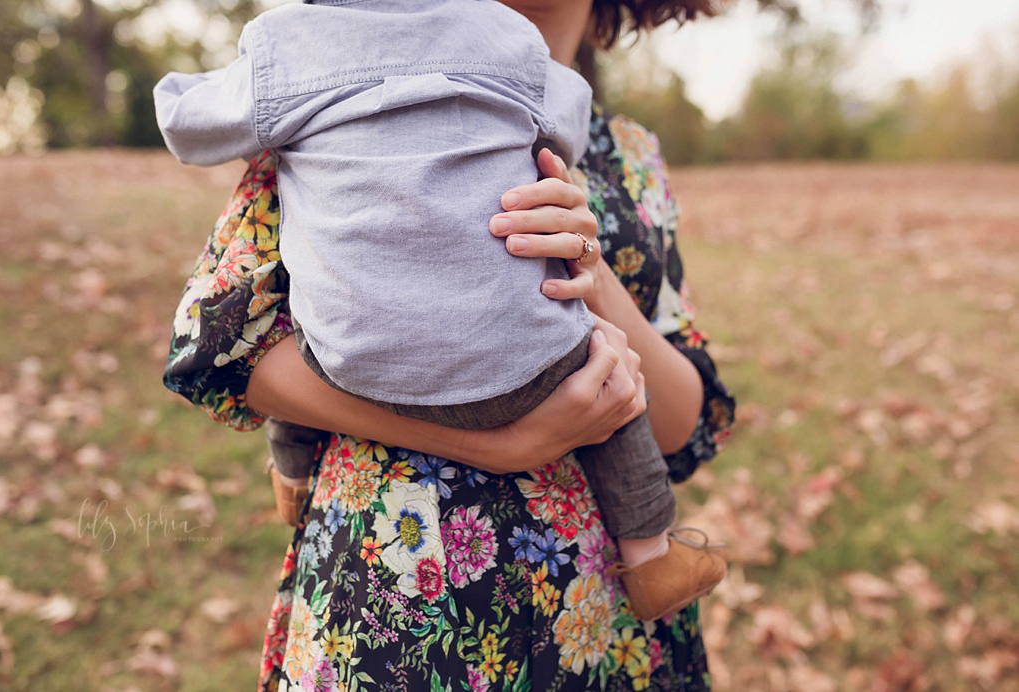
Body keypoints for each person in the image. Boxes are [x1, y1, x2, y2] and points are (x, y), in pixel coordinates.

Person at [162, 0, 735, 688]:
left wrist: (590, 271)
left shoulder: (629, 152)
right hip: (399, 602)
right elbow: (223, 347)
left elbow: (683, 426)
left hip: (607, 618)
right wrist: (490, 445)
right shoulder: (342, 81)